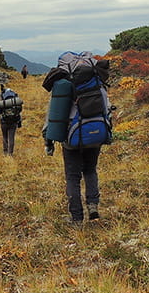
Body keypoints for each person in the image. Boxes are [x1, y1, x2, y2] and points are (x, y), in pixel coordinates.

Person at [42, 53, 112, 224]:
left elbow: (53, 115)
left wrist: (48, 140)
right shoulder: (97, 82)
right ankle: (93, 205)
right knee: (90, 170)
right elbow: (107, 107)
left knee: (73, 176)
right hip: (96, 133)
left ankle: (77, 218)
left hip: (71, 138)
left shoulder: (65, 85)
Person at [0, 84, 22, 156]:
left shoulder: (3, 100)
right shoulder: (15, 100)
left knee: (5, 136)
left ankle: (5, 152)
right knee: (11, 137)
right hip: (13, 122)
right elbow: (20, 110)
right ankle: (10, 153)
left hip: (4, 121)